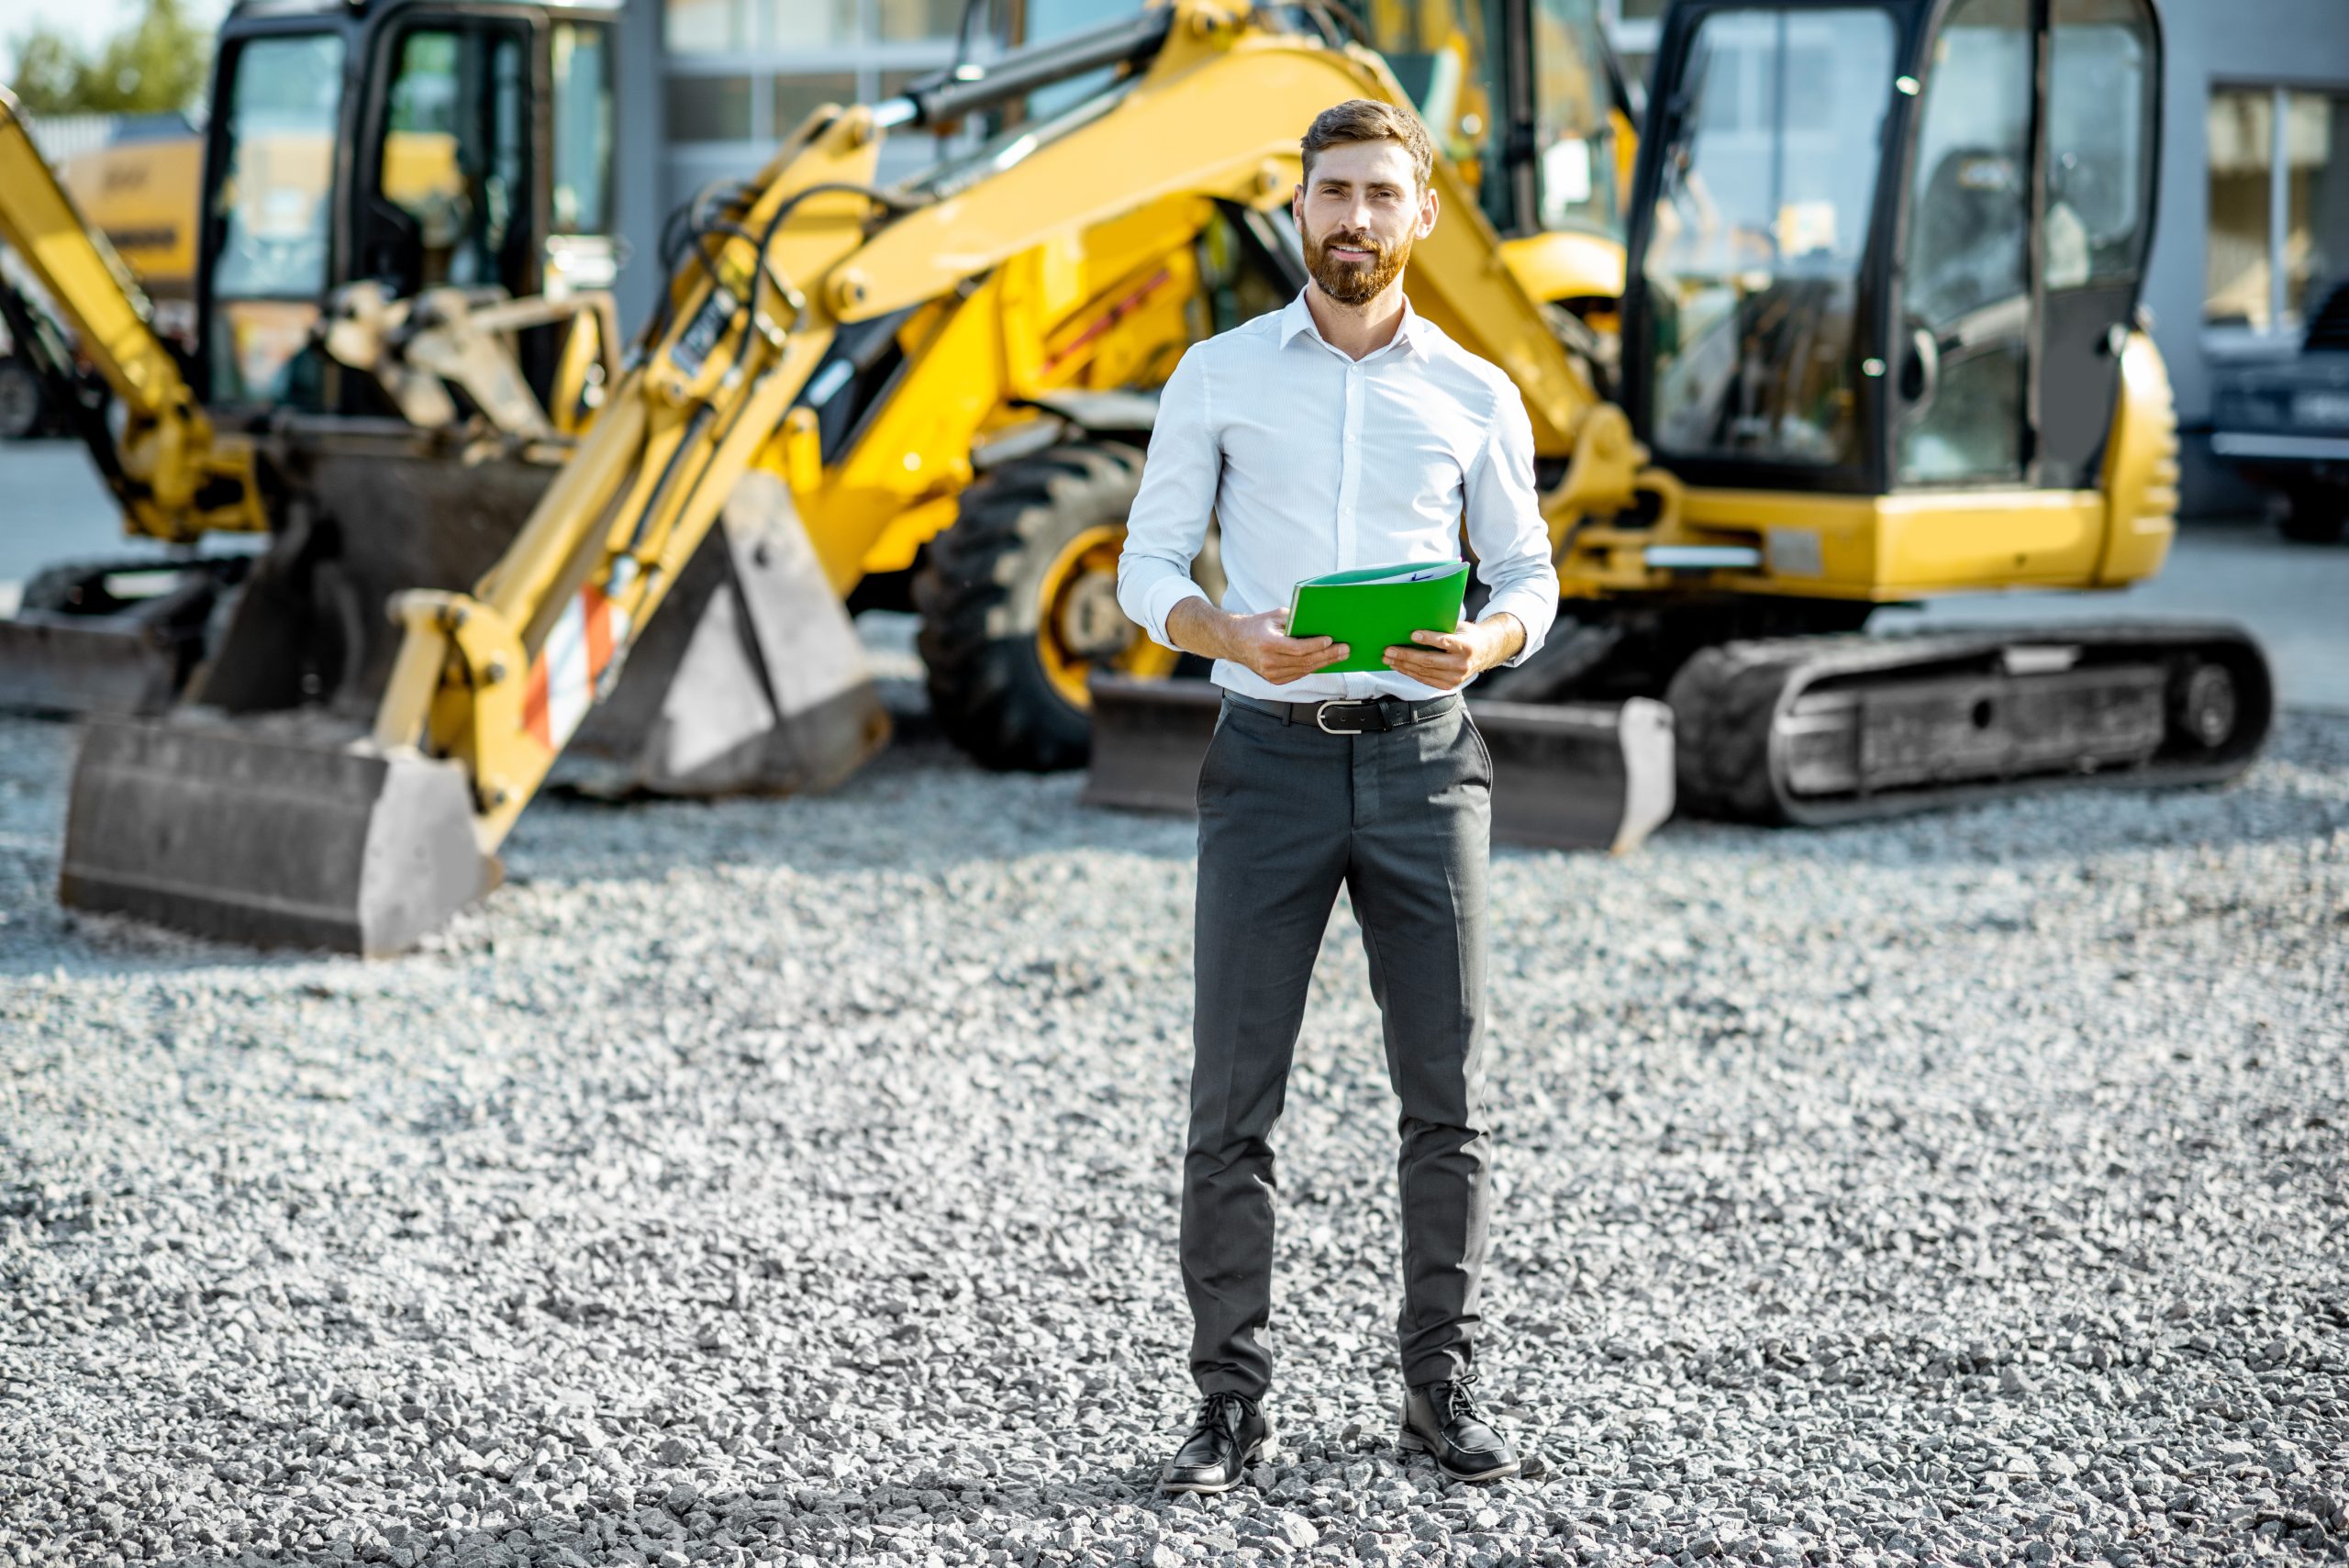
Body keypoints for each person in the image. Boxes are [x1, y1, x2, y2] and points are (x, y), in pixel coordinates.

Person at [1115, 97, 1560, 1494]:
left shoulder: (1478, 393)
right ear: (1295, 209)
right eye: (1332, 194)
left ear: (1422, 213)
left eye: (1381, 193)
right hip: (1268, 766)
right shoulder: (1218, 374)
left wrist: (1485, 640)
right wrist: (1227, 634)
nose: (1355, 218)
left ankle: (1440, 1388)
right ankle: (1230, 1404)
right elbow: (1144, 569)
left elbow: (1532, 575)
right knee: (1233, 1103)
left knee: (1451, 1093)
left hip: (1431, 762)